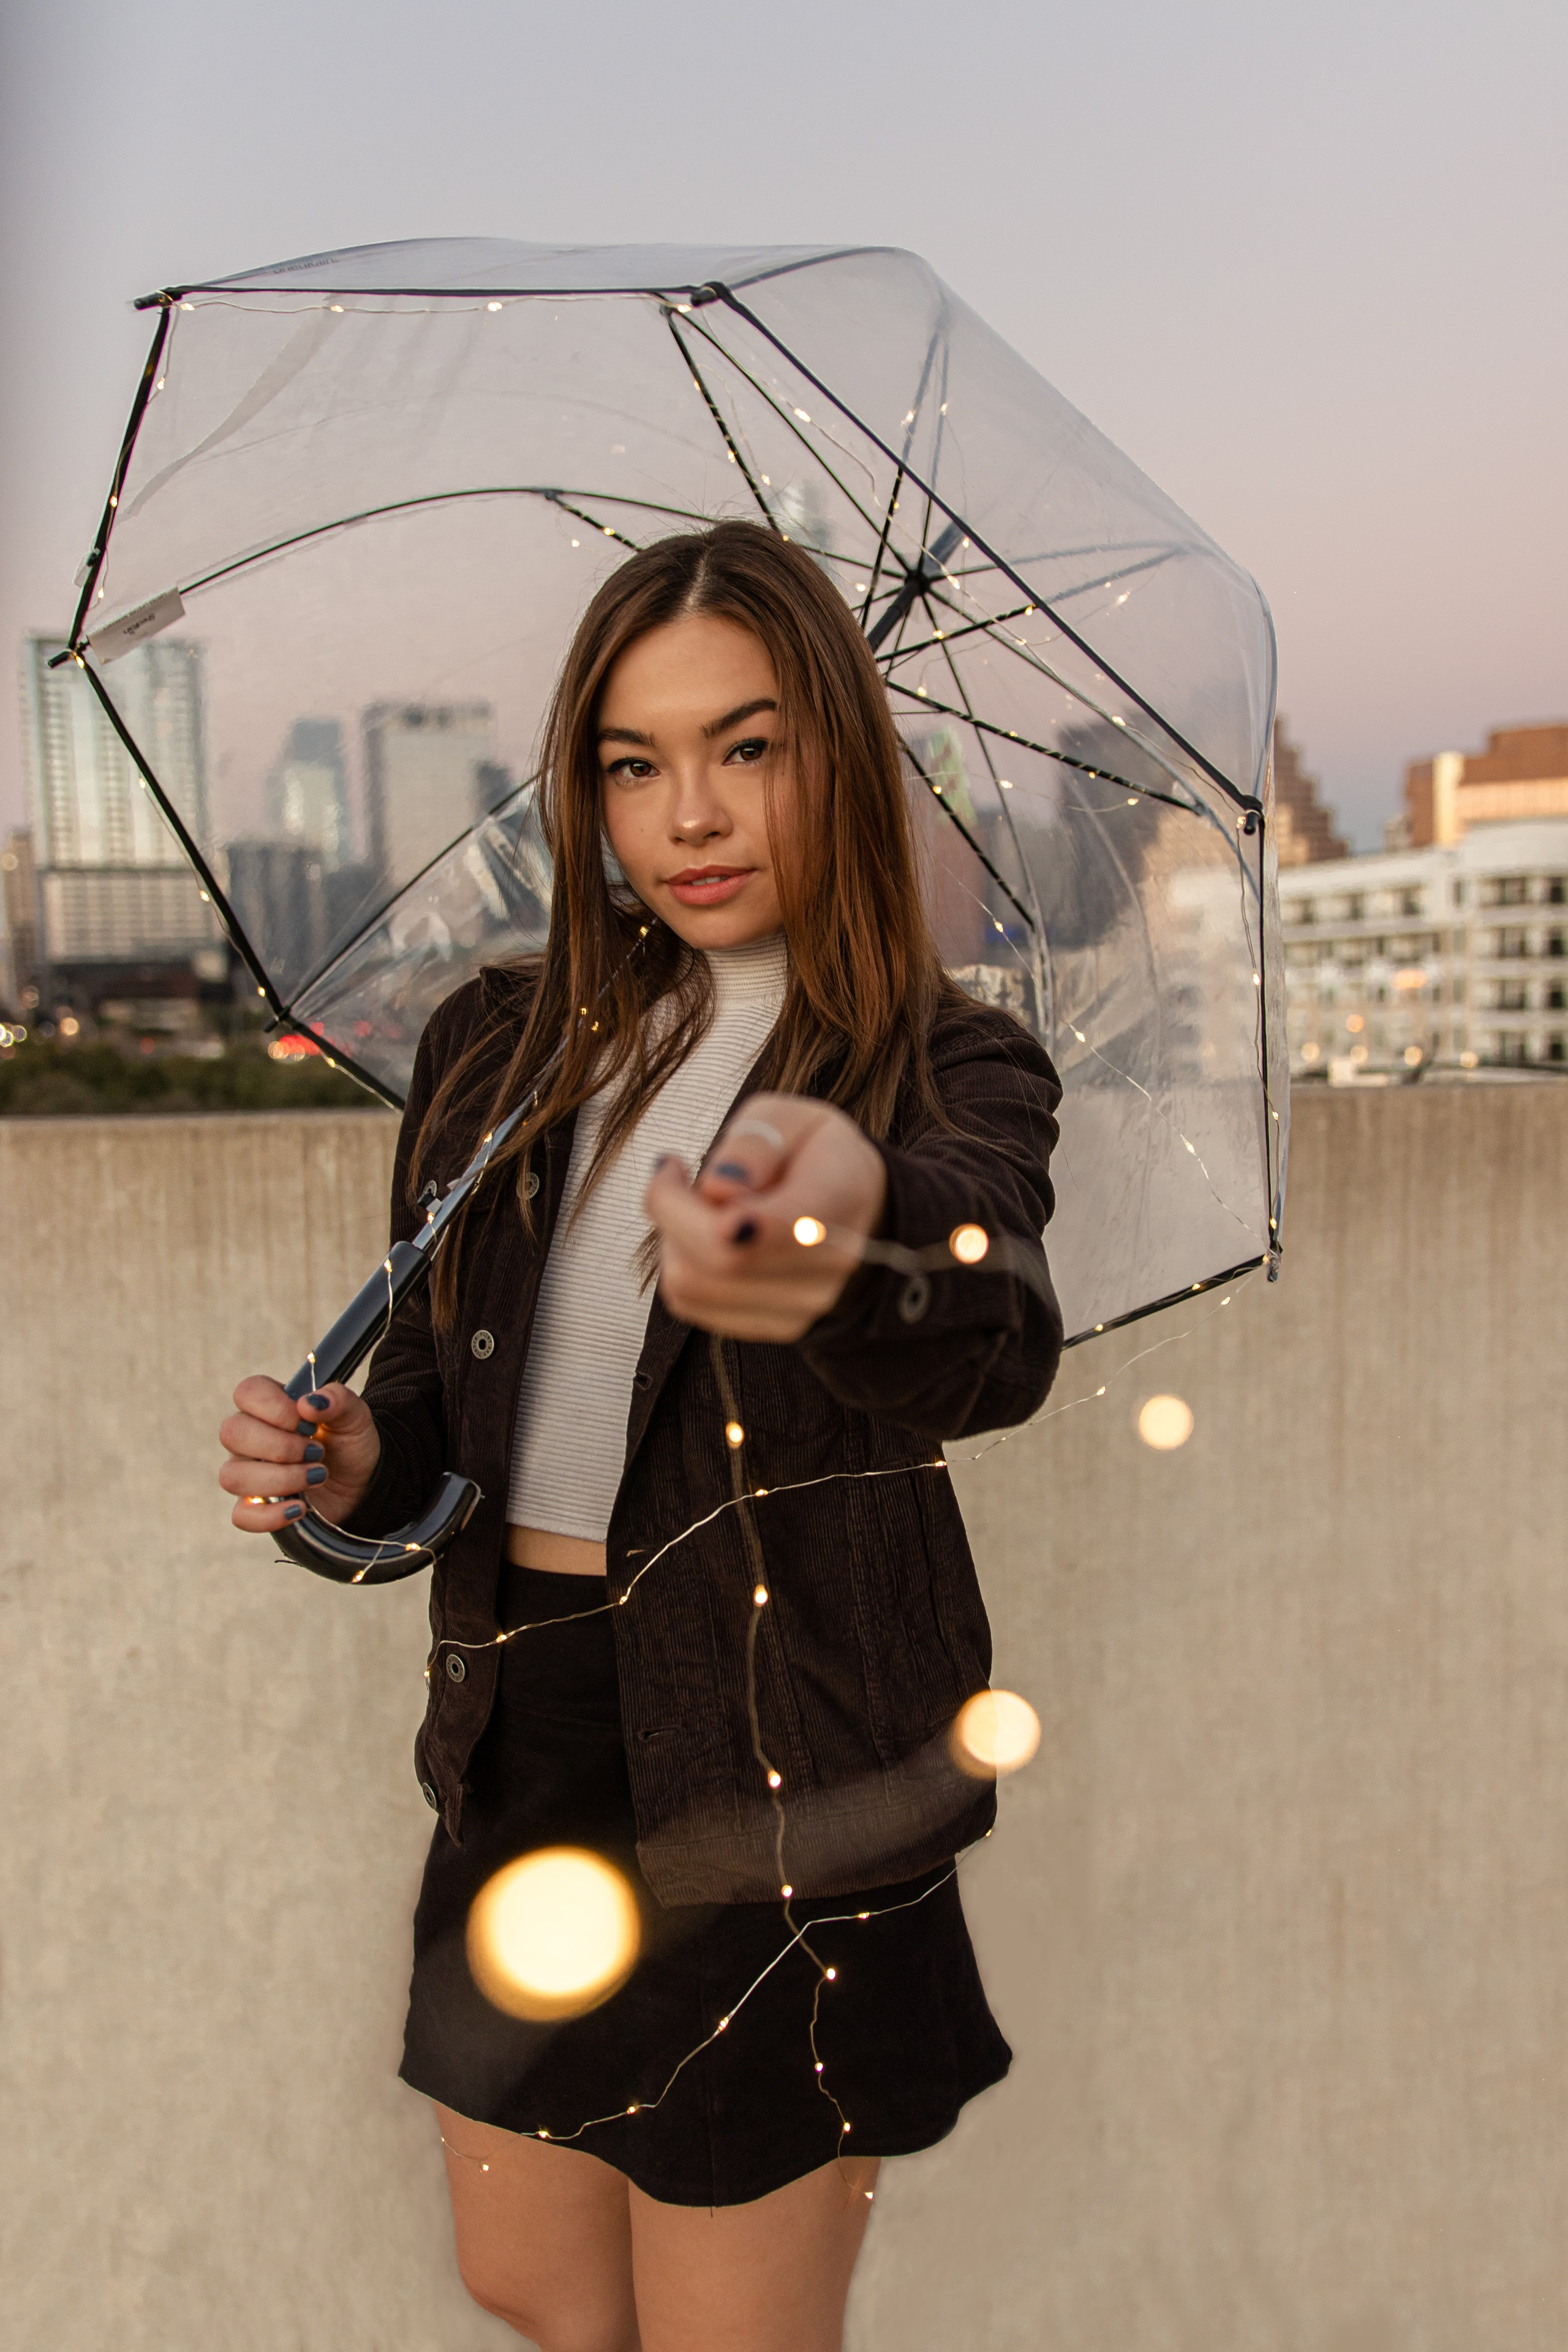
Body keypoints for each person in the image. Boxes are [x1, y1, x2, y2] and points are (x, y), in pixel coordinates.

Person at [218, 521, 1063, 2352]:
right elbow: (451, 1417)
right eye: (634, 761)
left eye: (748, 747)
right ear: (585, 788)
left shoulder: (938, 1065)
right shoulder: (499, 1050)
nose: (690, 812)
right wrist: (358, 1476)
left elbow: (989, 1328)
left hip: (775, 1773)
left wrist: (839, 1247)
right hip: (527, 1735)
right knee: (525, 2279)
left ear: (838, 750)